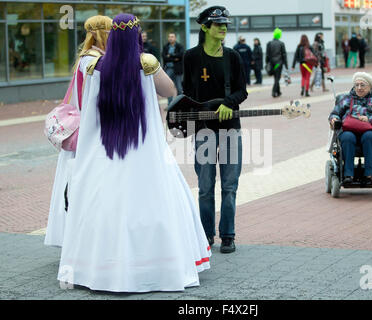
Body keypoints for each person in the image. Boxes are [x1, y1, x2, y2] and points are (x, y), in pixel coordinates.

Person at [56, 13, 211, 293]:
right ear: (136, 35)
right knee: (154, 203)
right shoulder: (147, 63)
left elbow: (84, 104)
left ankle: (100, 269)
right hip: (144, 148)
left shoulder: (91, 66)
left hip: (104, 149)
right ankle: (156, 267)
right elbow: (170, 90)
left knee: (101, 205)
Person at [183, 6, 248, 254]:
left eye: (225, 25)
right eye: (217, 24)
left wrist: (228, 103)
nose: (223, 28)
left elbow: (242, 91)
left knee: (230, 186)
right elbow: (186, 93)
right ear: (204, 27)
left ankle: (228, 235)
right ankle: (206, 236)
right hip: (203, 131)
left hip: (230, 129)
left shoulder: (232, 57)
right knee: (205, 186)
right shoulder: (191, 57)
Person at [44, 15, 113, 248]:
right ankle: (80, 237)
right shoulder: (93, 60)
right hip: (89, 132)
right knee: (81, 184)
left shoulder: (89, 57)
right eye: (111, 31)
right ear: (104, 32)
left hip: (87, 129)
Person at [329, 72, 372, 184]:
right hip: (348, 130)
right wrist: (334, 119)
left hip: (368, 130)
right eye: (356, 85)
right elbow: (334, 114)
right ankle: (348, 174)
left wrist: (370, 119)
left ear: (370, 86)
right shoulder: (346, 99)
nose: (359, 88)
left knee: (369, 137)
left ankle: (370, 173)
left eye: (362, 85)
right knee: (347, 137)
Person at [162, 32, 184, 104]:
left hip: (177, 70)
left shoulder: (179, 46)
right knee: (169, 87)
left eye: (172, 37)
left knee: (179, 88)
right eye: (169, 37)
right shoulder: (165, 47)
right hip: (168, 69)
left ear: (175, 38)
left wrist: (170, 55)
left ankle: (179, 103)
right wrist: (175, 58)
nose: (170, 38)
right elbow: (164, 57)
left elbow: (181, 55)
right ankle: (170, 103)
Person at [266, 28, 288, 98]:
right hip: (279, 63)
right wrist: (286, 64)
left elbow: (267, 54)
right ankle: (274, 91)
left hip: (272, 63)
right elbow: (284, 54)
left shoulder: (269, 43)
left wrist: (267, 63)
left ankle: (278, 92)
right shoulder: (281, 43)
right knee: (277, 78)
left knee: (276, 77)